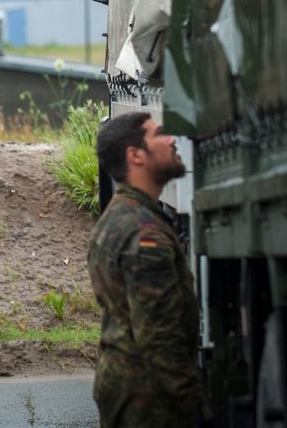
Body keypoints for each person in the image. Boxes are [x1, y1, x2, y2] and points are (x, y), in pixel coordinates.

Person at [88, 112, 208, 427]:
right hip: (149, 397)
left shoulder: (123, 216)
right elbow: (159, 336)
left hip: (130, 386)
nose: (172, 140)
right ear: (135, 155)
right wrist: (193, 405)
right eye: (159, 134)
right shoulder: (144, 233)